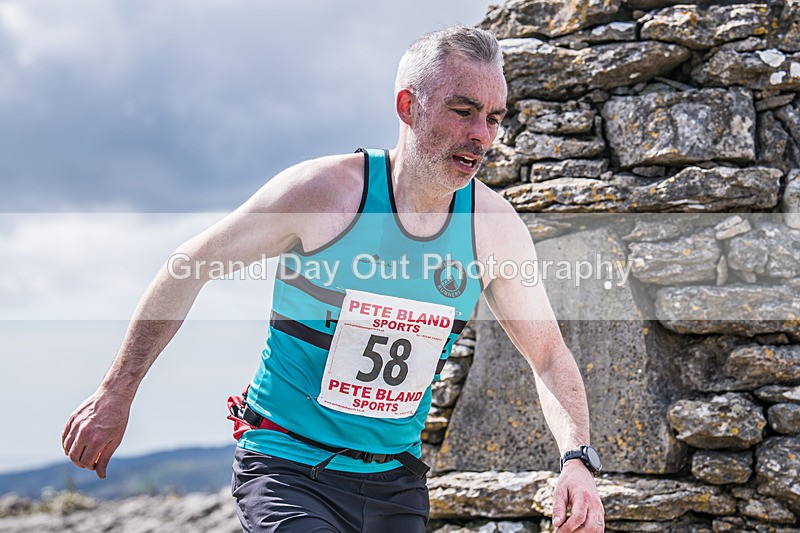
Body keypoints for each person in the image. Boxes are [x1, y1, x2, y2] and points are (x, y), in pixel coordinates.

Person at [62, 26, 605, 532]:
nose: (482, 135)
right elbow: (188, 265)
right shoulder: (325, 195)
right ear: (408, 107)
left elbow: (550, 357)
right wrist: (117, 391)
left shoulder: (492, 231)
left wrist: (577, 461)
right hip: (288, 469)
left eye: (494, 117)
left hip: (395, 483)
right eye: (463, 111)